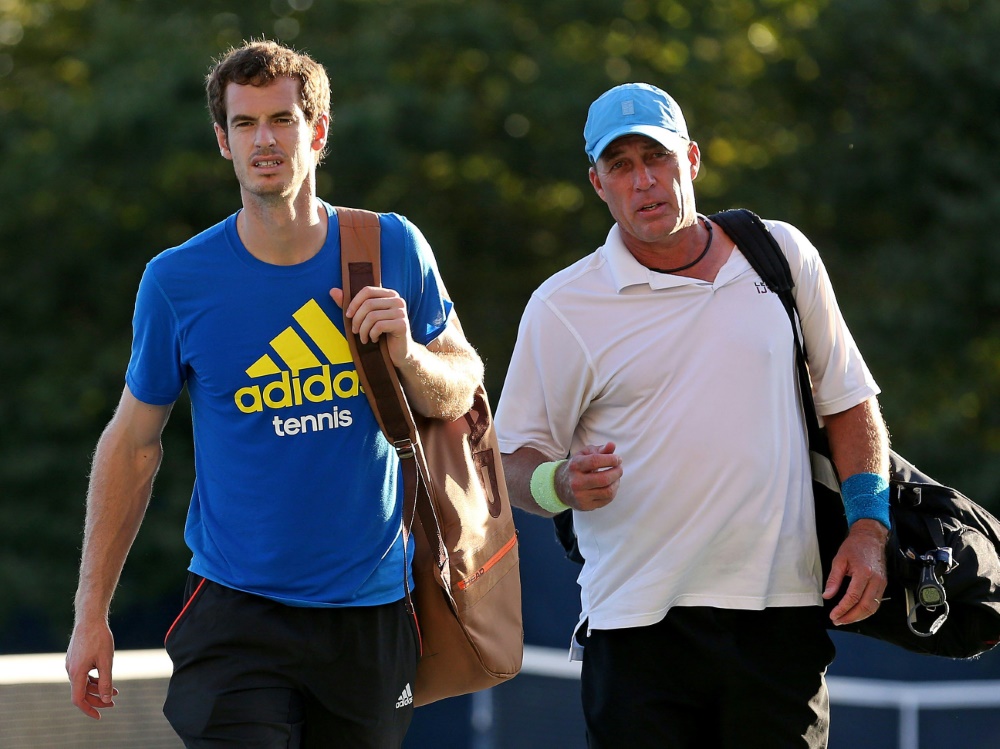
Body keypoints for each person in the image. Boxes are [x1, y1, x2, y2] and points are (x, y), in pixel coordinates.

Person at [65, 40, 483, 747]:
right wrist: (89, 613)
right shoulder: (178, 280)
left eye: (283, 120)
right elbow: (133, 443)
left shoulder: (389, 247)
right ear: (223, 142)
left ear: (317, 133)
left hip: (372, 612)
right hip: (238, 614)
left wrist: (408, 353)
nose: (265, 139)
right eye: (245, 123)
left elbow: (460, 389)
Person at [495, 82, 891, 748]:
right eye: (621, 165)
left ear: (694, 160)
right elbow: (507, 464)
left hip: (781, 617)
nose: (644, 180)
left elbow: (849, 400)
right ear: (598, 183)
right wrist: (558, 483)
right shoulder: (562, 305)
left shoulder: (783, 255)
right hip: (638, 628)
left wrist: (871, 526)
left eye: (658, 156)